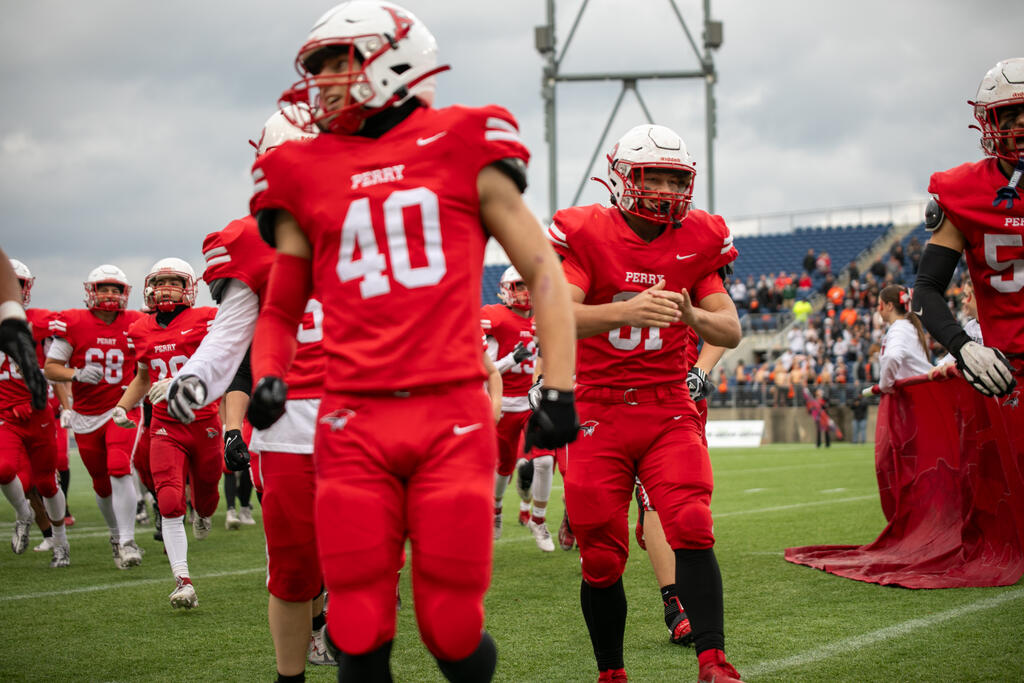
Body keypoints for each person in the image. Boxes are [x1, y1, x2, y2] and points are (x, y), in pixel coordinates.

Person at [245, 3, 578, 680]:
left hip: (450, 413)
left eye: (337, 63)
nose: (323, 82)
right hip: (352, 418)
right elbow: (279, 307)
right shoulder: (303, 168)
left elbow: (544, 271)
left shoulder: (463, 138)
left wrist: (560, 387)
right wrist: (271, 371)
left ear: (394, 57)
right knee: (357, 622)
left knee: (450, 625)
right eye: (318, 67)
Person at [547, 123, 743, 682]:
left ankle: (713, 662)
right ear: (620, 178)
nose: (665, 191)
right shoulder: (586, 232)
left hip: (666, 405)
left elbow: (729, 330)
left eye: (675, 180)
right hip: (598, 407)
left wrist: (692, 315)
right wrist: (624, 311)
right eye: (652, 177)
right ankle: (611, 672)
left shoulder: (699, 237)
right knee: (601, 554)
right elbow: (554, 316)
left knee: (693, 523)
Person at [163, 106, 337, 678]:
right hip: (286, 428)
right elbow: (228, 336)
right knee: (293, 570)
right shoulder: (249, 240)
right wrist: (195, 378)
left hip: (362, 418)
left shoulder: (376, 224)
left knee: (369, 563)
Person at [912, 57, 1022, 400]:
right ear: (990, 122)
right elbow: (926, 289)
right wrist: (963, 347)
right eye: (1010, 113)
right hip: (1009, 373)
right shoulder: (966, 192)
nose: (1022, 122)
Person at [113, 258, 220, 609]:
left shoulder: (206, 319)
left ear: (189, 288)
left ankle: (203, 512)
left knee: (207, 494)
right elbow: (143, 378)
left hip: (203, 420)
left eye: (174, 282)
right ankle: (183, 581)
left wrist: (179, 382)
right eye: (160, 282)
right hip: (164, 424)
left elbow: (220, 365)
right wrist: (123, 406)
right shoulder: (141, 328)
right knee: (170, 501)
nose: (166, 289)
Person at [45, 265, 145, 568]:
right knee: (101, 484)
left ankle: (127, 541)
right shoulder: (74, 322)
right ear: (92, 292)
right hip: (86, 414)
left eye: (116, 289)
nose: (110, 294)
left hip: (122, 406)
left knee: (119, 467)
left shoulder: (136, 322)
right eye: (104, 288)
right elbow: (51, 368)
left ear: (125, 293)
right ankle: (116, 535)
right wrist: (75, 374)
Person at [0, 259, 70, 567]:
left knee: (47, 484)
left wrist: (65, 407)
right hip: (6, 417)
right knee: (3, 469)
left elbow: (55, 371)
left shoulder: (41, 323)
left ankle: (61, 543)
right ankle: (24, 514)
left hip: (38, 414)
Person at [481, 266, 556, 552]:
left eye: (528, 285)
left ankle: (538, 519)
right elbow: (485, 370)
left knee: (545, 461)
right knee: (503, 467)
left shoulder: (543, 318)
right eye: (519, 286)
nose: (525, 292)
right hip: (503, 405)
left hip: (532, 403)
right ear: (506, 290)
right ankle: (496, 510)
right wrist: (511, 359)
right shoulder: (495, 318)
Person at [876, 285, 933, 393]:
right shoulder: (906, 326)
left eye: (880, 304)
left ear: (889, 306)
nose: (878, 309)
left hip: (918, 393)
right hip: (921, 391)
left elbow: (892, 356)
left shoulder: (899, 329)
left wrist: (884, 385)